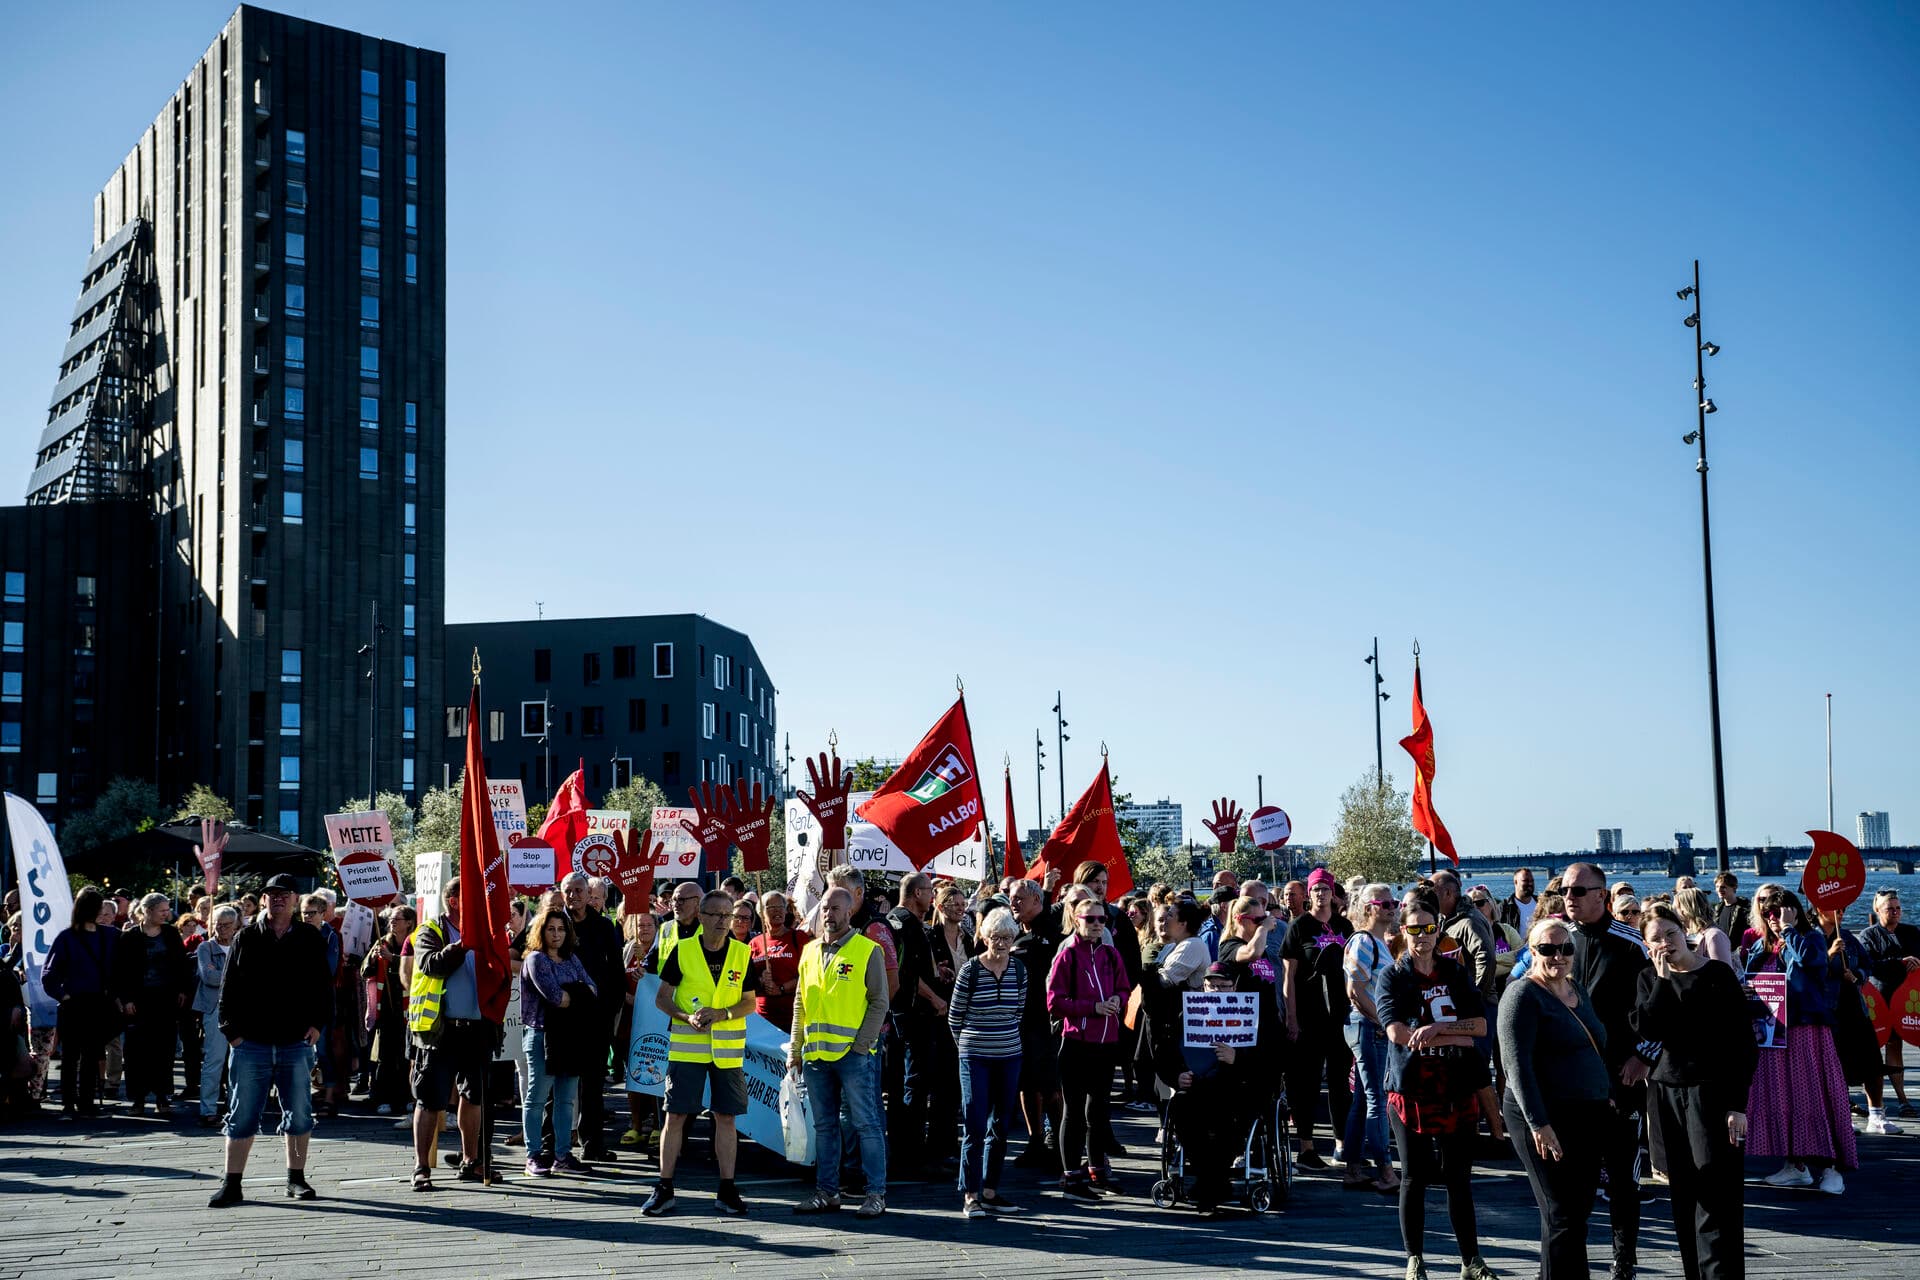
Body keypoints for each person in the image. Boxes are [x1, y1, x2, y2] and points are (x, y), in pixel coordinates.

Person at [1631, 904, 1754, 1280]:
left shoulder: (1717, 974)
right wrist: (1663, 977)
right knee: (1684, 1195)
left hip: (1712, 1094)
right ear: (1647, 946)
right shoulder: (1649, 979)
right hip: (1666, 1093)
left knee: (1717, 1194)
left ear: (1684, 931)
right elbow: (1648, 1029)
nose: (1666, 943)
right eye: (1656, 939)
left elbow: (1742, 1044)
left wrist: (1737, 1104)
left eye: (1671, 934)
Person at [1378, 896, 1498, 1280]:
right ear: (1403, 931)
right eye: (1415, 929)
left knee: (1459, 1177)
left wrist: (1438, 1029)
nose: (1423, 937)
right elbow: (1397, 1032)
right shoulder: (1394, 976)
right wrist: (1449, 1035)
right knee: (1413, 1175)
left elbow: (1479, 1026)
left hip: (1456, 1085)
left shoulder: (1455, 971)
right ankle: (1415, 1259)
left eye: (1430, 929)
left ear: (1438, 931)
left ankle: (1471, 1261)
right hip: (1411, 1085)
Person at [209, 874, 331, 1207]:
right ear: (264, 900)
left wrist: (317, 1024)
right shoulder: (246, 937)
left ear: (295, 899)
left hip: (296, 1041)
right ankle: (232, 1183)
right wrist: (232, 1033)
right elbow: (228, 988)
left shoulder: (309, 937)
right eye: (271, 894)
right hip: (251, 1043)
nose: (277, 899)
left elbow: (323, 986)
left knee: (299, 1113)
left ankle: (296, 1178)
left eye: (284, 894)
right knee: (242, 1114)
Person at [1500, 915, 1610, 1280]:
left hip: (1586, 1113)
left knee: (1577, 1210)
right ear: (1532, 952)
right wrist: (1539, 1123)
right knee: (1560, 1210)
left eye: (1565, 949)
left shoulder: (1576, 989)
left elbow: (1594, 1046)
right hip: (1543, 1115)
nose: (1558, 956)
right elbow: (1516, 1068)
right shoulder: (1522, 995)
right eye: (1547, 949)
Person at [643, 890, 760, 1217]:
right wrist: (686, 1017)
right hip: (687, 1048)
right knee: (675, 1116)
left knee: (726, 1118)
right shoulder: (683, 951)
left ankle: (727, 1189)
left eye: (729, 916)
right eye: (717, 915)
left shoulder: (741, 953)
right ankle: (664, 1187)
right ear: (703, 916)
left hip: (726, 1051)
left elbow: (749, 1002)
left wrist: (722, 1014)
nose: (724, 922)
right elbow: (662, 999)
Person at [1561, 861, 1652, 1278]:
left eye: (1578, 891)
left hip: (1620, 1077)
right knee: (1575, 1177)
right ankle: (1573, 1257)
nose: (1568, 898)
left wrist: (1644, 1056)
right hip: (1571, 1081)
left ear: (1602, 895)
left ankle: (1624, 1259)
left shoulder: (1633, 944)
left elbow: (1666, 1004)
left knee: (1621, 1176)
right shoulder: (1557, 943)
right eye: (1564, 890)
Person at [1743, 887, 1856, 1193]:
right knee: (1782, 1096)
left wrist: (1790, 930)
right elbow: (1751, 981)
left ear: (1793, 911)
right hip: (1774, 1032)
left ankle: (1832, 1167)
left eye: (1780, 911)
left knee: (1815, 1094)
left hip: (1806, 1030)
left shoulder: (1812, 938)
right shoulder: (1761, 946)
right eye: (1769, 913)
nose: (1774, 918)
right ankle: (1795, 1164)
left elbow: (1811, 964)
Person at [789, 886, 890, 1218]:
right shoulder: (810, 951)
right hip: (817, 1057)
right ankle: (827, 1192)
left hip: (853, 1056)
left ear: (849, 912)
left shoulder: (867, 950)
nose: (828, 913)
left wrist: (861, 1045)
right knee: (825, 1127)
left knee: (867, 1125)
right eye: (825, 908)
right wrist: (796, 1048)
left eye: (835, 908)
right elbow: (801, 1002)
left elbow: (879, 1001)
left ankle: (875, 1193)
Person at [407, 876, 499, 1191]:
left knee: (473, 1097)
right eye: (472, 896)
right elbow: (431, 965)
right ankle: (421, 1166)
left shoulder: (486, 932)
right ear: (454, 900)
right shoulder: (430, 931)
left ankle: (470, 1161)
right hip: (440, 1030)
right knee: (430, 1100)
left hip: (476, 1030)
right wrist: (462, 945)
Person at [1047, 890, 1133, 1198]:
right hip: (1076, 1042)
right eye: (1090, 918)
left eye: (1102, 919)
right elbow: (1054, 1002)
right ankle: (1071, 1176)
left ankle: (1097, 1170)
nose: (1097, 924)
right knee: (1074, 1111)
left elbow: (1125, 987)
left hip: (1106, 1042)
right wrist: (1091, 1007)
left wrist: (1116, 1000)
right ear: (1076, 919)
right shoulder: (1067, 954)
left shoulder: (1110, 953)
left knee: (1099, 1111)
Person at [1157, 961, 1259, 1216]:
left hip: (1236, 1087)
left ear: (1234, 988)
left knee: (1230, 1121)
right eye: (1211, 986)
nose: (1216, 991)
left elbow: (1268, 1062)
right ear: (1203, 987)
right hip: (1196, 1086)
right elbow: (1163, 1055)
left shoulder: (1251, 1015)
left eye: (1223, 986)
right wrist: (1176, 1076)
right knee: (1182, 1113)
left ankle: (1209, 1186)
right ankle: (1211, 1182)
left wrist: (1238, 1059)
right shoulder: (1187, 1013)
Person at [947, 905, 1027, 1218]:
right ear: (984, 937)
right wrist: (968, 1046)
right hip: (974, 1056)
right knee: (975, 1124)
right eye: (995, 936)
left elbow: (1018, 1012)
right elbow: (955, 1017)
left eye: (1007, 936)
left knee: (1001, 1125)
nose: (1002, 942)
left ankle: (991, 1190)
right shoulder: (970, 970)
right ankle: (970, 1194)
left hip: (1009, 1055)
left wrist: (1002, 1038)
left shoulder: (1020, 970)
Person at [1281, 867, 1354, 1169]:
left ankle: (1341, 1144)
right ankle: (1307, 1147)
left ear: (1333, 893)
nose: (1321, 894)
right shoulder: (1300, 926)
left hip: (1341, 1016)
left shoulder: (1344, 925)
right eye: (1316, 889)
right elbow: (1288, 975)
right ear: (1308, 894)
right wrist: (1292, 1018)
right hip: (1309, 1017)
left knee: (1340, 1081)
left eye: (1326, 889)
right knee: (1307, 1083)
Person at [520, 900, 598, 1176]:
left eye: (561, 929)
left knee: (566, 1099)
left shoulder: (571, 958)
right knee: (537, 1097)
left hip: (570, 1036)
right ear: (541, 931)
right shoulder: (535, 959)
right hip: (542, 1034)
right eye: (551, 929)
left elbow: (593, 990)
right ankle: (533, 1155)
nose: (556, 934)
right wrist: (578, 992)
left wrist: (574, 993)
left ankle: (563, 1155)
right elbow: (555, 997)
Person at [560, 870, 624, 1162]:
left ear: (589, 895)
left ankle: (593, 1143)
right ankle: (556, 1144)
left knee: (594, 1084)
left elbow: (615, 972)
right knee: (559, 1083)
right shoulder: (554, 925)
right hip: (562, 1016)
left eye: (578, 891)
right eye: (568, 890)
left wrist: (610, 1007)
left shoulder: (603, 926)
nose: (573, 896)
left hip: (597, 1017)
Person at [111, 892, 190, 1115]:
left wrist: (183, 989)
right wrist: (125, 999)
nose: (167, 914)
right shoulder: (129, 937)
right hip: (138, 1001)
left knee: (164, 1049)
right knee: (137, 1052)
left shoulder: (171, 934)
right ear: (148, 911)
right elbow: (120, 971)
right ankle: (137, 1098)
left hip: (165, 1000)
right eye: (162, 910)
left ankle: (163, 1096)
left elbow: (182, 964)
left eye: (167, 910)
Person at [42, 887, 117, 1118]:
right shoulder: (68, 937)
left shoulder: (109, 935)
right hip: (75, 1003)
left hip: (97, 1002)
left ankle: (85, 1102)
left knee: (91, 1054)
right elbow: (49, 974)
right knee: (72, 1055)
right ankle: (69, 1102)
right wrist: (64, 996)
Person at [1344, 884, 1399, 1192]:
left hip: (1369, 1025)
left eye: (1394, 902)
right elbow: (1354, 990)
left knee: (1363, 1099)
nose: (1392, 907)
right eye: (1385, 903)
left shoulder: (1379, 941)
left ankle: (1353, 1168)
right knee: (1378, 1098)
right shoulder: (1364, 942)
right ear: (1368, 908)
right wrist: (1383, 1021)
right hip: (1369, 1026)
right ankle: (1386, 1170)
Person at [1008, 878, 1063, 1171]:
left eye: (1019, 899)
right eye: (1011, 898)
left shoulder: (1053, 933)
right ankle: (1035, 1141)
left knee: (1050, 1085)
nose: (1013, 903)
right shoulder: (1014, 933)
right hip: (1020, 1023)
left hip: (1047, 1023)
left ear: (1036, 902)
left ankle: (1059, 1143)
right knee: (1026, 1085)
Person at [1858, 888, 1920, 1117]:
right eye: (1889, 909)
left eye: (1898, 908)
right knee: (1873, 1051)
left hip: (1908, 999)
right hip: (1880, 999)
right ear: (1877, 910)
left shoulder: (1912, 932)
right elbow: (1870, 964)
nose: (1895, 912)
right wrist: (1899, 962)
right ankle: (1877, 1104)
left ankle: (1903, 1100)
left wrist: (1916, 962)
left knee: (1896, 1047)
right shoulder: (1868, 935)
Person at [927, 881, 973, 1158]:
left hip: (965, 1015)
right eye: (955, 904)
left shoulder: (968, 938)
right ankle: (937, 1143)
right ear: (941, 907)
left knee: (956, 1082)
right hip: (940, 1014)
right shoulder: (930, 937)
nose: (960, 908)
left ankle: (951, 1140)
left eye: (963, 904)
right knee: (941, 1082)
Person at [362, 904, 416, 1117]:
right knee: (384, 1055)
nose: (392, 923)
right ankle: (382, 1097)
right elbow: (365, 970)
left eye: (397, 919)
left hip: (408, 1008)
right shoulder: (381, 942)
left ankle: (407, 1097)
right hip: (386, 1010)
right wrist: (375, 958)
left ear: (409, 922)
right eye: (391, 919)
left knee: (406, 1056)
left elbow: (415, 967)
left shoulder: (415, 942)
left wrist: (392, 959)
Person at [191, 905, 240, 1127]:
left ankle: (235, 1107)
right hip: (214, 1010)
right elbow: (208, 977)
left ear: (236, 925)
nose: (221, 929)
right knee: (214, 1059)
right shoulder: (206, 948)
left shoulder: (242, 946)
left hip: (240, 1011)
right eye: (218, 924)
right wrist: (237, 977)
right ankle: (208, 1108)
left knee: (238, 1062)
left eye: (226, 925)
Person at [617, 909, 661, 1152]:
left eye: (648, 925)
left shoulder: (662, 951)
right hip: (630, 1024)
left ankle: (656, 1124)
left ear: (656, 928)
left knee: (655, 1075)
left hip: (653, 1024)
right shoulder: (628, 950)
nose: (643, 929)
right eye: (639, 925)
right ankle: (635, 1124)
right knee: (632, 1076)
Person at [1674, 887, 1736, 972]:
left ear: (1685, 910)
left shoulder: (1715, 936)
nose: (1673, 912)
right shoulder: (1688, 935)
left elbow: (1723, 973)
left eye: (1675, 908)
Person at [1498, 869, 1539, 936]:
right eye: (1525, 881)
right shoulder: (1504, 907)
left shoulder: (1542, 903)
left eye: (1532, 881)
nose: (1530, 883)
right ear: (1515, 882)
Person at [1710, 873, 1748, 941]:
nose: (1719, 890)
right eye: (1717, 887)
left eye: (1723, 887)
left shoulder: (1745, 909)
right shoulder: (1717, 909)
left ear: (1734, 887)